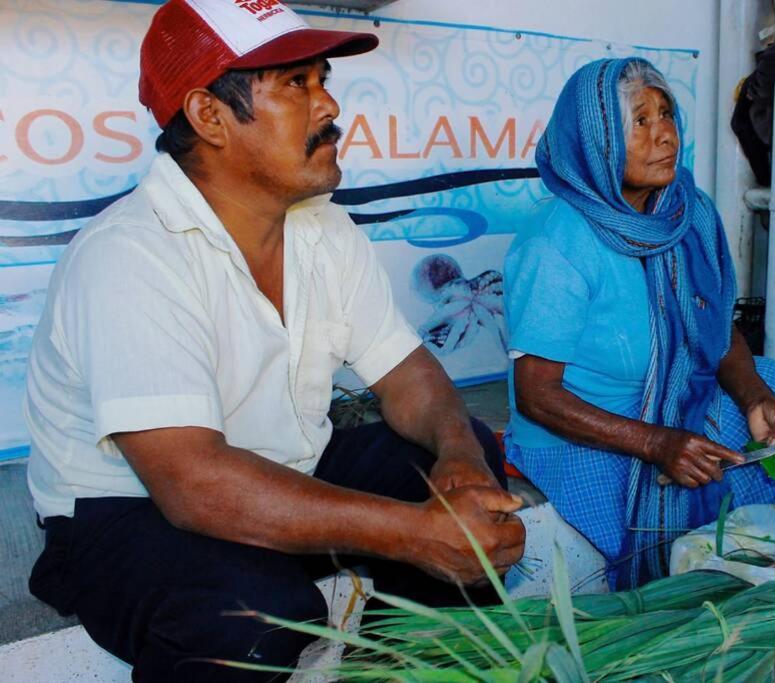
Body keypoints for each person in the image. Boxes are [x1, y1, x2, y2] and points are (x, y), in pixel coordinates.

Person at [24, 1, 525, 679]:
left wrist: (460, 459)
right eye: (297, 84)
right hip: (128, 511)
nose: (328, 108)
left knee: (464, 460)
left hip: (283, 470)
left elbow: (409, 375)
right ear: (209, 116)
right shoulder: (131, 253)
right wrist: (416, 534)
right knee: (252, 614)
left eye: (323, 80)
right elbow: (194, 484)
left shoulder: (322, 227)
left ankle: (397, 666)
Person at [503, 58, 775, 590]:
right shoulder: (556, 241)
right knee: (679, 507)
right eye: (640, 120)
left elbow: (715, 330)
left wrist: (754, 398)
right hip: (587, 425)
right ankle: (696, 594)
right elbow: (538, 395)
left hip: (674, 399)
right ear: (596, 137)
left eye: (667, 114)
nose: (665, 135)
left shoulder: (688, 213)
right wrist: (658, 443)